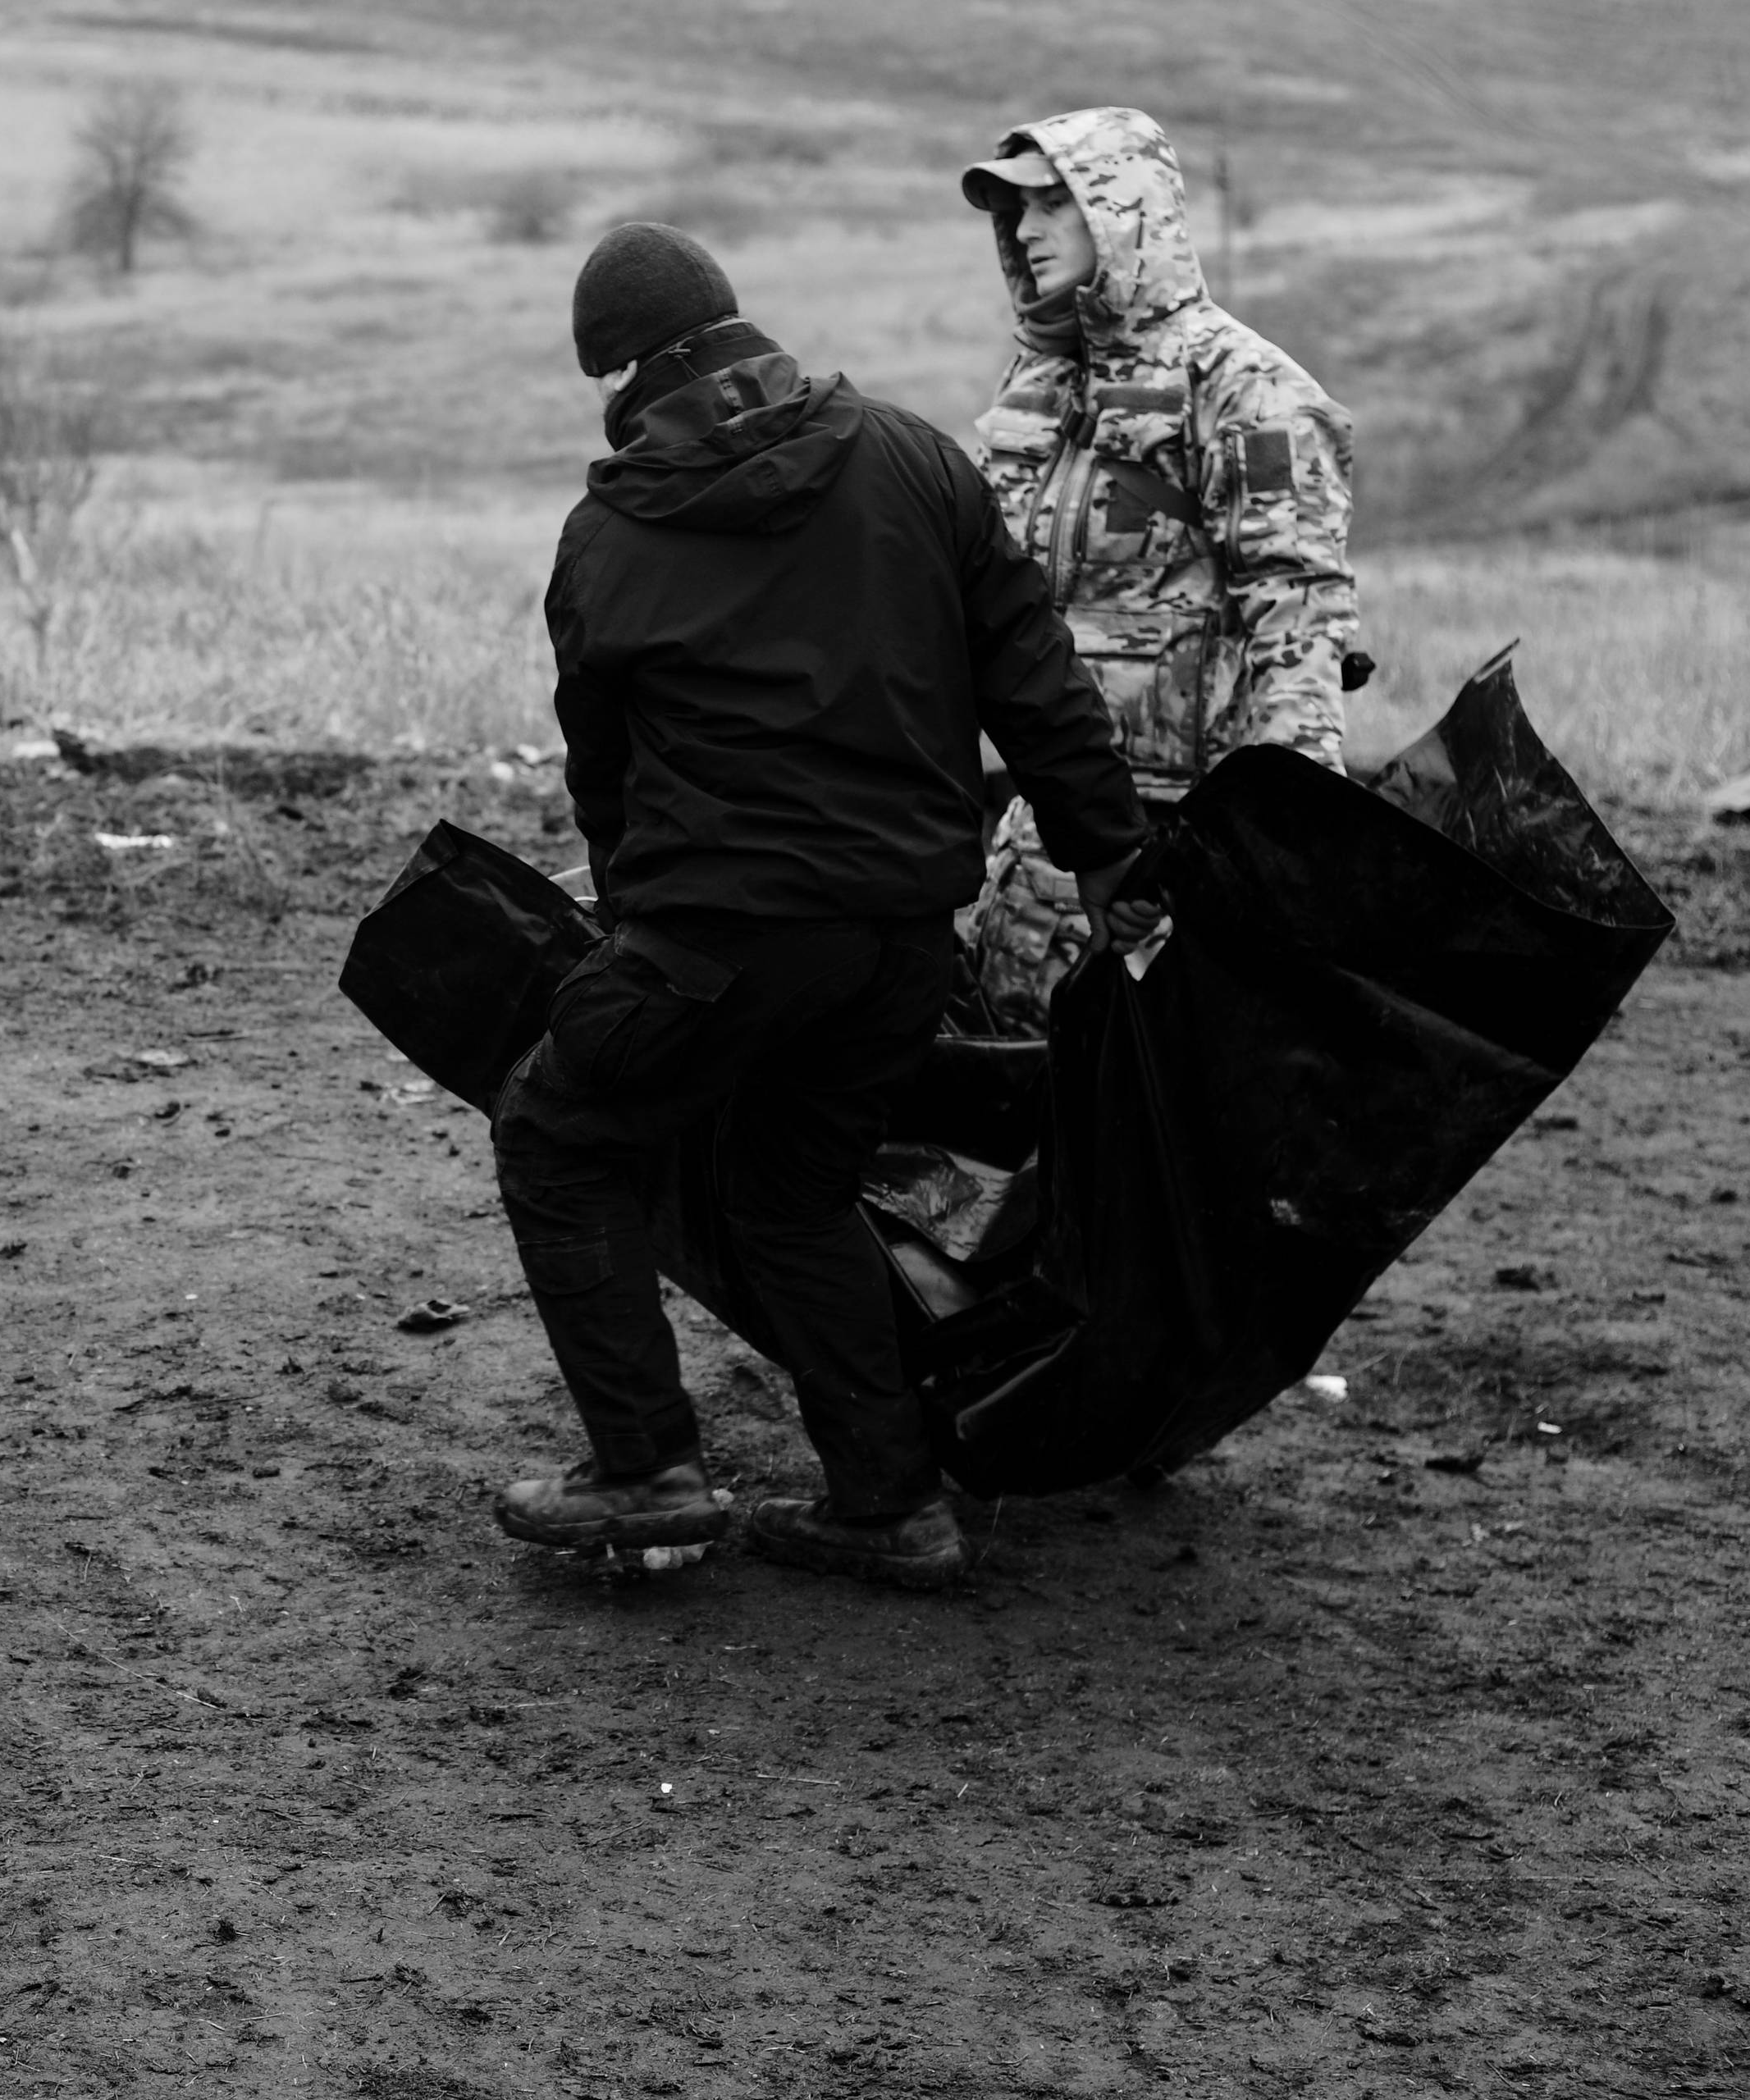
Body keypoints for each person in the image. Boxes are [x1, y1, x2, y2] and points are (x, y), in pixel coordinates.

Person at [490, 223, 1156, 1588]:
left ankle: (642, 1472)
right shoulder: (916, 462)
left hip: (718, 945)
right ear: (741, 331)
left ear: (617, 374)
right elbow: (1038, 687)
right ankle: (890, 1506)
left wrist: (635, 932)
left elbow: (604, 778)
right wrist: (1114, 864)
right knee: (789, 1191)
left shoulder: (609, 537)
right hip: (902, 947)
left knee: (558, 1136)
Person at [958, 107, 1363, 1034]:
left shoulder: (1245, 388)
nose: (1025, 231)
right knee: (1017, 1132)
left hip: (1185, 867)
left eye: (1054, 205)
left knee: (1168, 1150)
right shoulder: (1040, 386)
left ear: (1124, 212)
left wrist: (1279, 851)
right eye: (1015, 212)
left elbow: (1297, 617)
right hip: (1045, 838)